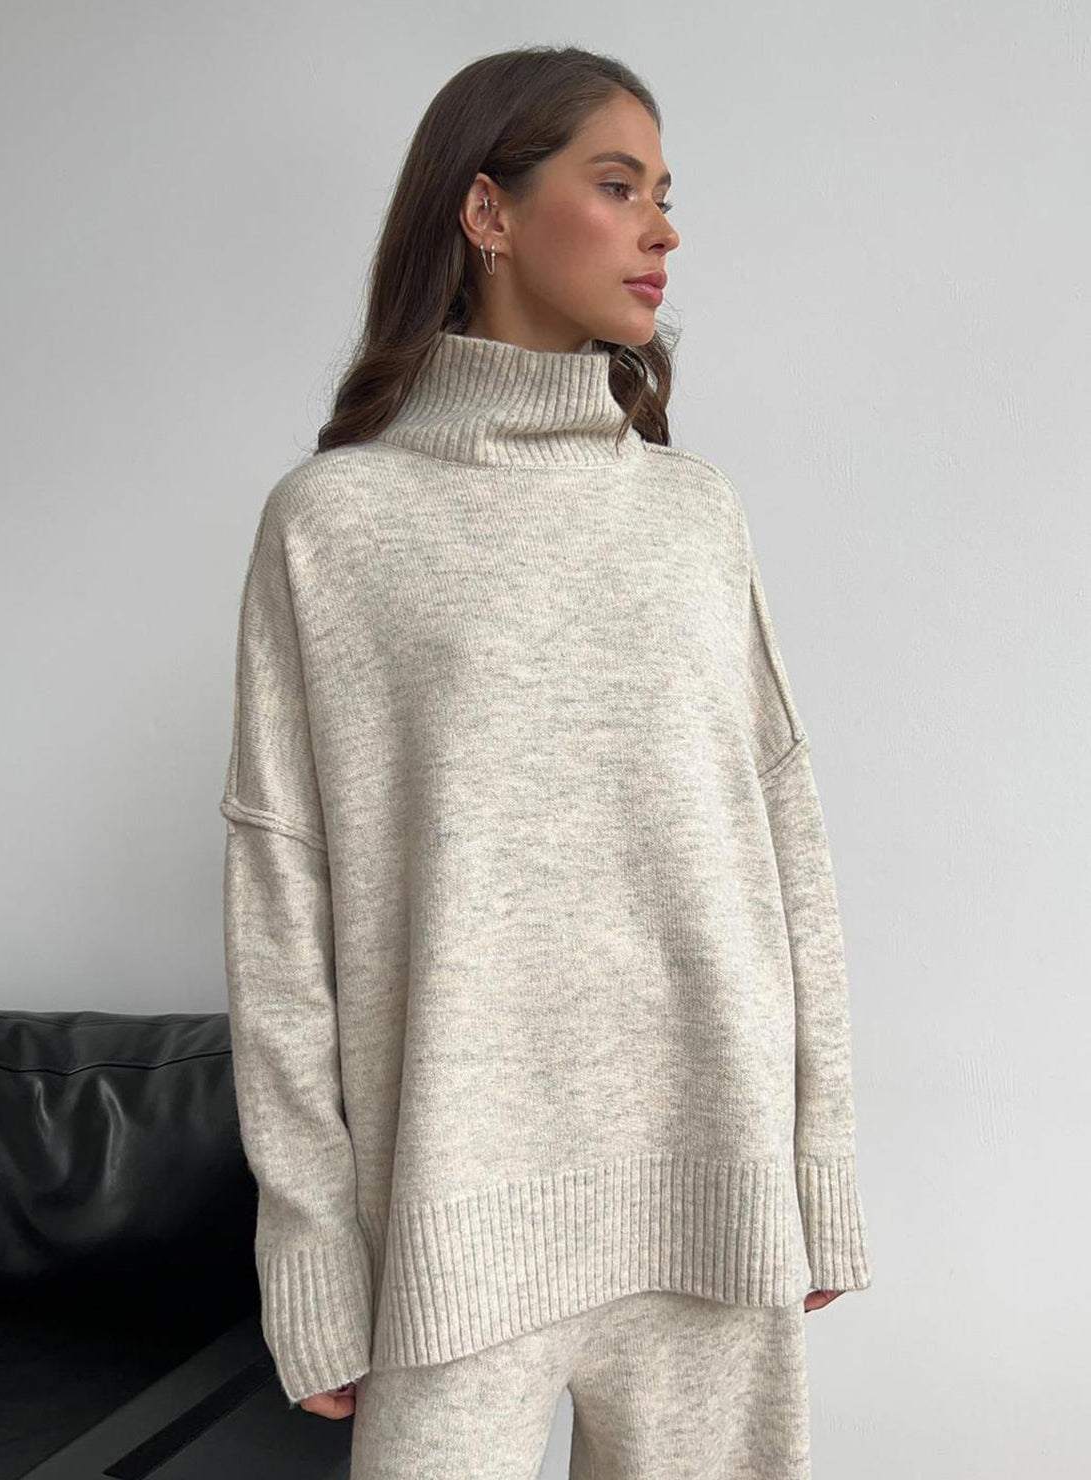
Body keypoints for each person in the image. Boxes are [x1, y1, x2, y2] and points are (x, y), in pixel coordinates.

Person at [219, 44, 873, 1480]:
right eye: (618, 185)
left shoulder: (694, 516)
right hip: (452, 1222)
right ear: (487, 213)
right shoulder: (332, 525)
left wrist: (816, 1169)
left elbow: (784, 847)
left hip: (711, 1191)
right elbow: (281, 904)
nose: (663, 231)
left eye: (665, 194)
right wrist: (314, 1255)